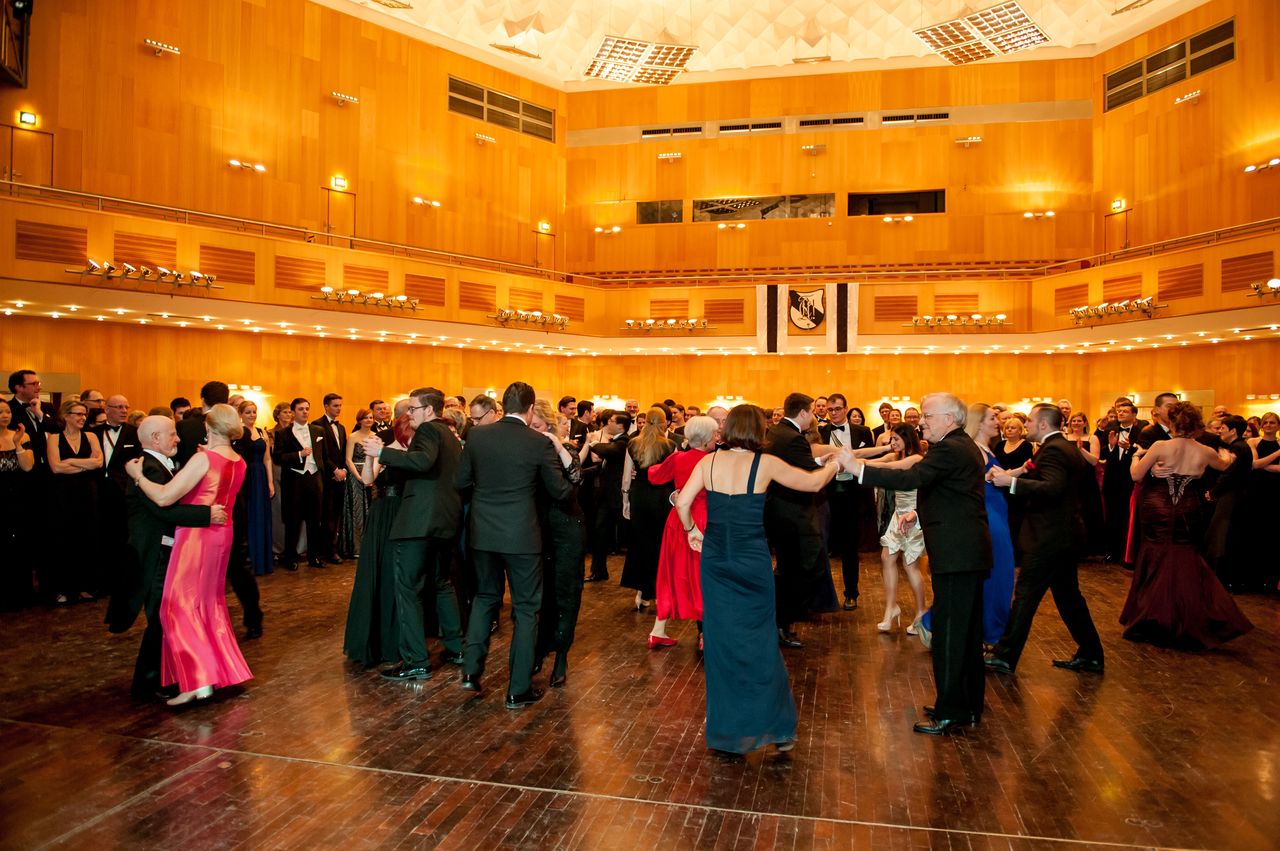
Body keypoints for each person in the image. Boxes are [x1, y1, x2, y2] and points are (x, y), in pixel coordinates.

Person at [676, 405, 845, 754]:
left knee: (721, 642)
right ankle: (777, 728)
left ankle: (727, 732)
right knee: (760, 641)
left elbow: (682, 503)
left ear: (729, 429)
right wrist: (835, 464)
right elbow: (813, 482)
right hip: (751, 561)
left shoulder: (707, 462)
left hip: (716, 561)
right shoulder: (765, 464)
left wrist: (692, 530)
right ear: (758, 430)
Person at [851, 393, 991, 735]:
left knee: (950, 634)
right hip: (966, 551)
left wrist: (857, 468)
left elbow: (910, 478)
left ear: (950, 419)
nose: (922, 421)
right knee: (967, 633)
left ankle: (950, 710)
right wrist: (917, 512)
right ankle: (967, 705)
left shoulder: (950, 448)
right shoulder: (961, 445)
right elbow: (949, 492)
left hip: (957, 554)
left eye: (928, 415)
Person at [455, 382, 572, 708]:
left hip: (483, 532)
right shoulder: (538, 442)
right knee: (526, 609)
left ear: (503, 406)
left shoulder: (477, 436)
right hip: (522, 535)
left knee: (484, 598)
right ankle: (517, 689)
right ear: (531, 409)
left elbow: (460, 481)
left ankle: (470, 671)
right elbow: (560, 491)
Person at [125, 404, 251, 706]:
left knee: (176, 606)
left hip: (196, 538)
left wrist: (137, 476)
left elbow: (164, 497)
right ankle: (215, 673)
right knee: (208, 604)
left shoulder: (203, 458)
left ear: (208, 428)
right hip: (222, 535)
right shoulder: (238, 460)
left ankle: (199, 678)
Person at [108, 415, 224, 701]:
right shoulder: (147, 467)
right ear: (155, 438)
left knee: (163, 618)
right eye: (172, 434)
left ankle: (158, 680)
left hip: (162, 552)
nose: (178, 439)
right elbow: (164, 509)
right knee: (160, 618)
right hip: (152, 555)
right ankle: (150, 684)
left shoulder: (157, 465)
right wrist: (206, 515)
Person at [1120, 402, 1252, 649]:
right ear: (1197, 425)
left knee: (1156, 554)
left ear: (1172, 422)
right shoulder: (1205, 451)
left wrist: (1136, 456)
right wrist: (1226, 456)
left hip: (1158, 505)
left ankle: (1153, 616)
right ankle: (1185, 616)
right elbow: (1226, 466)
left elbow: (1136, 475)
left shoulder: (1160, 446)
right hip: (1188, 507)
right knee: (1185, 556)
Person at [988, 404, 1105, 677]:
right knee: (1068, 597)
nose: (1026, 424)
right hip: (1062, 535)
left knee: (1026, 595)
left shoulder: (1054, 450)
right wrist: (1014, 474)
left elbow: (1053, 488)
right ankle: (1091, 654)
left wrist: (1010, 483)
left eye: (1029, 420)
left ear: (1042, 424)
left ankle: (1004, 656)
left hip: (1049, 537)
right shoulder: (1061, 447)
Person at [362, 388, 464, 682]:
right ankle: (456, 648)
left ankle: (416, 661)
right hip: (443, 522)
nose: (409, 414)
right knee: (441, 584)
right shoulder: (450, 435)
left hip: (419, 523)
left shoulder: (429, 430)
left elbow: (422, 461)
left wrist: (382, 452)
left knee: (407, 589)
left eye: (413, 408)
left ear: (429, 410)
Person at [917, 404, 1015, 649]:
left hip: (997, 512)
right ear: (979, 422)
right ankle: (975, 631)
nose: (998, 422)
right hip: (988, 515)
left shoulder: (985, 448)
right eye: (992, 418)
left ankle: (977, 631)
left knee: (995, 575)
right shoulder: (973, 449)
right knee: (993, 576)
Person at [344, 412, 414, 667]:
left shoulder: (415, 453)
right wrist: (372, 455)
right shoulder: (386, 447)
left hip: (406, 512)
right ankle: (377, 640)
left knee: (397, 575)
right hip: (383, 513)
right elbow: (367, 480)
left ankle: (397, 638)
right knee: (378, 572)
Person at [764, 393, 832, 648]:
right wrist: (833, 466)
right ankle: (781, 622)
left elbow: (793, 464)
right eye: (812, 411)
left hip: (779, 512)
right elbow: (811, 476)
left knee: (790, 569)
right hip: (793, 515)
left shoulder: (777, 432)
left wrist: (818, 460)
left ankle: (780, 621)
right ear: (803, 413)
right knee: (804, 568)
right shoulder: (793, 438)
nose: (813, 417)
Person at [646, 415, 716, 650]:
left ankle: (658, 631)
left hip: (676, 520)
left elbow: (654, 475)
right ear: (706, 439)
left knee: (672, 573)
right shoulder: (712, 461)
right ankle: (705, 634)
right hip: (703, 520)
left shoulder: (678, 458)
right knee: (701, 576)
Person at [530, 402, 585, 687]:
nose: (533, 431)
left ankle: (561, 654)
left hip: (566, 527)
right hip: (537, 527)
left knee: (566, 591)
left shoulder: (565, 450)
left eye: (538, 426)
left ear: (549, 426)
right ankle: (538, 651)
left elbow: (576, 478)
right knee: (540, 594)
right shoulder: (525, 449)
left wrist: (557, 444)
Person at [867, 424, 928, 634]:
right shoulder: (894, 456)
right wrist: (848, 460)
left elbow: (891, 468)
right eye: (891, 439)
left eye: (896, 439)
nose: (892, 443)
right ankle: (891, 608)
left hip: (913, 516)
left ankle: (921, 612)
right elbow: (874, 462)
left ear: (907, 439)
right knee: (886, 558)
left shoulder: (916, 459)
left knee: (910, 565)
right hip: (898, 514)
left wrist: (857, 465)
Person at [819, 393, 875, 609]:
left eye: (837, 409)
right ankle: (820, 597)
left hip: (853, 495)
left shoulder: (862, 431)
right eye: (830, 409)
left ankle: (851, 593)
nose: (833, 413)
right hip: (826, 495)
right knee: (823, 545)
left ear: (845, 409)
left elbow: (870, 462)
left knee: (850, 547)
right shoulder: (821, 432)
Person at [47, 399, 103, 603]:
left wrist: (70, 461)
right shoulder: (54, 438)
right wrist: (85, 464)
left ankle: (85, 585)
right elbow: (56, 467)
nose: (83, 418)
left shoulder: (91, 436)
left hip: (87, 492)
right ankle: (64, 587)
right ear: (66, 416)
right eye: (78, 414)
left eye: (84, 414)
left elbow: (98, 462)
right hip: (63, 494)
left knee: (87, 537)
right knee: (64, 538)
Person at [621, 407, 676, 610]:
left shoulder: (633, 443)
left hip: (640, 496)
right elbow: (674, 474)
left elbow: (626, 477)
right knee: (660, 545)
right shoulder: (670, 445)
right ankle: (660, 593)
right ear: (664, 423)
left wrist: (625, 501)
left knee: (640, 543)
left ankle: (641, 592)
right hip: (662, 498)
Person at [272, 397, 333, 569]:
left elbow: (324, 457)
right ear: (293, 412)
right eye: (301, 409)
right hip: (295, 480)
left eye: (307, 408)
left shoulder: (318, 430)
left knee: (315, 520)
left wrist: (333, 471)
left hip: (315, 478)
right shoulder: (283, 433)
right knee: (293, 521)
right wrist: (299, 455)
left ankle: (314, 557)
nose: (305, 412)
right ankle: (290, 558)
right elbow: (278, 457)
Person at [586, 410, 631, 582]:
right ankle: (598, 571)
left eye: (611, 421)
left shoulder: (624, 442)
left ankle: (636, 576)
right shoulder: (615, 442)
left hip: (619, 498)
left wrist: (591, 442)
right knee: (600, 533)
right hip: (607, 497)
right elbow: (604, 467)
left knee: (627, 536)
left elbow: (607, 450)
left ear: (620, 426)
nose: (608, 423)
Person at [233, 400, 274, 578]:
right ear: (241, 414)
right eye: (248, 412)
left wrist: (270, 482)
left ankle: (263, 561)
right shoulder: (238, 432)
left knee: (262, 516)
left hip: (261, 476)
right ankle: (250, 561)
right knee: (248, 515)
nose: (252, 415)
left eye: (254, 412)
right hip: (246, 476)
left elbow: (267, 459)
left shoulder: (262, 432)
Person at [0, 399, 35, 609]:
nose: (5, 415)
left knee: (18, 544)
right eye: (0, 412)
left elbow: (28, 466)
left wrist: (17, 444)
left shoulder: (22, 436)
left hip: (17, 497)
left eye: (7, 411)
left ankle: (19, 594)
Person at [1065, 412, 1105, 557]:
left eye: (1079, 421)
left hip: (1086, 480)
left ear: (1084, 423)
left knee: (1087, 512)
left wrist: (1081, 449)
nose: (1076, 423)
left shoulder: (1092, 438)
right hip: (1069, 479)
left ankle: (1088, 548)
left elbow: (1094, 461)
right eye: (1073, 421)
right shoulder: (1065, 437)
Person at [1248, 412, 1280, 592]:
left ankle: (1271, 579)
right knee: (1255, 532)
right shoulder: (1253, 442)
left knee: (1272, 535)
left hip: (1275, 493)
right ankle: (1254, 579)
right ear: (1261, 426)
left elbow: (1261, 465)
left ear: (1278, 426)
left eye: (1272, 422)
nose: (1268, 425)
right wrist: (1277, 454)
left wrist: (1263, 465)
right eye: (1266, 422)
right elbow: (1254, 464)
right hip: (1256, 491)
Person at [341, 408, 376, 559]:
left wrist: (372, 476)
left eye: (371, 417)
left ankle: (370, 545)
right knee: (357, 510)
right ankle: (356, 547)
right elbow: (348, 459)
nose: (369, 420)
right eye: (366, 418)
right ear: (359, 420)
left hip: (373, 474)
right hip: (355, 475)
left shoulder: (376, 437)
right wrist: (358, 476)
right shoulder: (353, 436)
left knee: (371, 509)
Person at [318, 393, 348, 563]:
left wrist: (342, 470)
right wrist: (334, 470)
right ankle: (328, 551)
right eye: (335, 405)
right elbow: (321, 454)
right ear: (326, 406)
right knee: (327, 515)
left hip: (340, 477)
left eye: (340, 405)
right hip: (327, 477)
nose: (339, 408)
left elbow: (342, 452)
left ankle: (334, 547)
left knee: (336, 515)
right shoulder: (317, 425)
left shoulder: (341, 427)